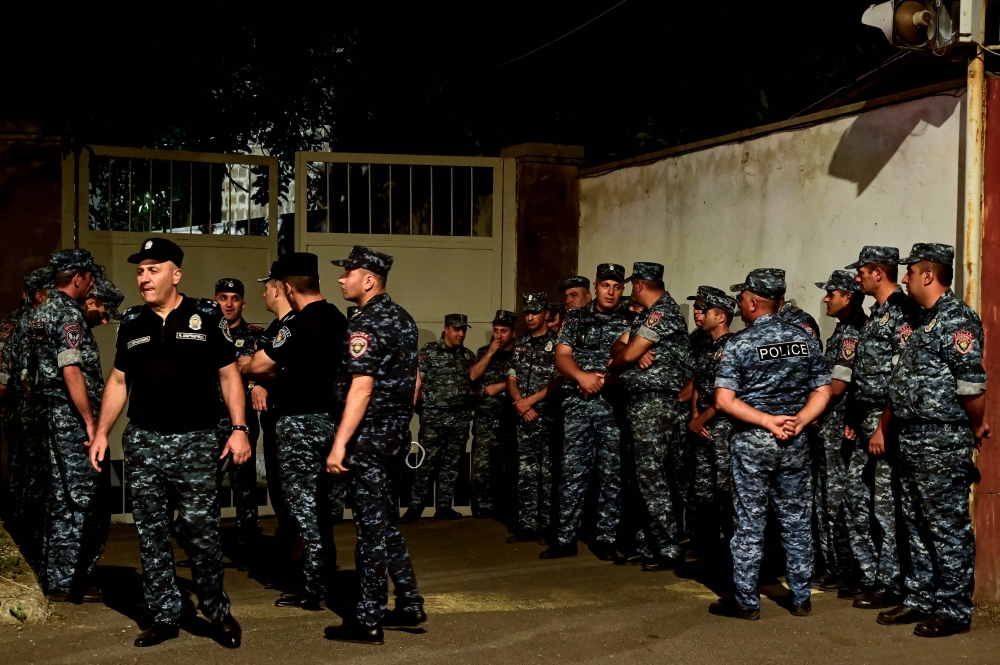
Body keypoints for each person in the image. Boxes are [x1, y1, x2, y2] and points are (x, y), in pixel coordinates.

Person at [89, 237, 248, 648]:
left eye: (153, 269)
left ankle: (216, 611)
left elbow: (230, 374)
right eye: (140, 270)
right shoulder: (132, 323)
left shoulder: (205, 315)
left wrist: (239, 428)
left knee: (201, 530)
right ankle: (165, 615)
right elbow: (120, 381)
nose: (144, 277)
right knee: (152, 532)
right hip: (144, 442)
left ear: (175, 274)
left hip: (196, 440)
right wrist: (102, 432)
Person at [876, 243, 989, 637]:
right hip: (912, 438)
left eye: (909, 272)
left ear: (928, 275)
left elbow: (972, 386)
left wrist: (976, 427)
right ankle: (920, 598)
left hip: (942, 439)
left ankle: (954, 609)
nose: (904, 277)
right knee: (915, 523)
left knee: (946, 527)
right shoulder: (924, 320)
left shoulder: (956, 319)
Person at [709, 268, 831, 620]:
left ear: (751, 302)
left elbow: (723, 400)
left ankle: (747, 601)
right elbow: (822, 389)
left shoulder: (741, 343)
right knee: (795, 520)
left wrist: (767, 421)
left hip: (753, 444)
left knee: (749, 521)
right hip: (795, 442)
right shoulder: (803, 338)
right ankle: (801, 597)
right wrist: (800, 421)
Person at [324, 245, 424, 645]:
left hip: (368, 439)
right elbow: (414, 383)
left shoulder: (364, 324)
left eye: (348, 272)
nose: (341, 278)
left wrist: (339, 444)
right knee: (383, 522)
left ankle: (367, 620)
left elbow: (361, 388)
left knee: (369, 531)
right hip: (394, 435)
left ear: (369, 280)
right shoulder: (403, 319)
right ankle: (410, 601)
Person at [244, 253, 348, 610]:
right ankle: (322, 575)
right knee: (320, 506)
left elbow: (259, 364)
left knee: (304, 509)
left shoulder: (298, 324)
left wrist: (245, 365)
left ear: (287, 287)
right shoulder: (336, 318)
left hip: (300, 424)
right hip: (330, 421)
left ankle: (314, 586)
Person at [839, 246, 919, 610]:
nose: (857, 278)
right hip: (867, 419)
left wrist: (882, 428)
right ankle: (869, 573)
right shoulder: (875, 316)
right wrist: (856, 419)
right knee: (857, 497)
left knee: (885, 505)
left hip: (887, 422)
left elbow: (899, 378)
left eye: (861, 272)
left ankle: (890, 581)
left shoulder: (903, 314)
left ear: (877, 273)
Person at [28, 250, 110, 603]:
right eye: (90, 277)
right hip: (71, 419)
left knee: (60, 498)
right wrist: (90, 421)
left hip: (49, 415)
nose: (92, 283)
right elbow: (71, 370)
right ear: (77, 278)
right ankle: (71, 581)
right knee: (82, 500)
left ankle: (57, 580)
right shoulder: (66, 314)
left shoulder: (39, 313)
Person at [543, 264, 630, 560]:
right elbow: (562, 356)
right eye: (606, 285)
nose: (611, 291)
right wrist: (582, 377)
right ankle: (565, 539)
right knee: (572, 472)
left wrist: (602, 380)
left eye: (617, 286)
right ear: (595, 287)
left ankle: (605, 539)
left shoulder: (631, 319)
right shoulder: (576, 317)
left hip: (612, 407)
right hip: (578, 405)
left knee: (611, 474)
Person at [608, 263, 692, 571]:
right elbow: (621, 346)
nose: (631, 290)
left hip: (655, 404)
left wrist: (625, 357)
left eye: (632, 285)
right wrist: (631, 350)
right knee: (641, 477)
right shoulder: (646, 316)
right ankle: (649, 544)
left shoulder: (661, 312)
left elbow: (623, 357)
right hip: (640, 403)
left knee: (651, 477)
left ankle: (668, 547)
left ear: (640, 284)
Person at [812, 270, 867, 593]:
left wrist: (809, 405)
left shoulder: (852, 334)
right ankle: (833, 564)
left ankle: (845, 567)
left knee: (837, 498)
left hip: (838, 427)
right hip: (828, 426)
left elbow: (837, 385)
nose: (826, 299)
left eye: (831, 293)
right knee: (825, 495)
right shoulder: (843, 330)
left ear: (848, 297)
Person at [0, 266, 54, 572]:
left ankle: (22, 539)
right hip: (30, 412)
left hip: (20, 412)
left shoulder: (11, 323)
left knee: (23, 477)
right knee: (34, 480)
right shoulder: (25, 324)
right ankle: (31, 545)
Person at [401, 313, 477, 523]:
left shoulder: (468, 356)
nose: (461, 333)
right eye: (457, 329)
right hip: (434, 418)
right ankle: (415, 507)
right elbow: (414, 381)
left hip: (460, 418)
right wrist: (419, 407)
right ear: (446, 329)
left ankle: (444, 506)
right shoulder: (428, 353)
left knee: (451, 464)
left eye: (463, 329)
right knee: (426, 463)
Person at [213, 278, 265, 569]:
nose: (229, 304)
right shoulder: (205, 333)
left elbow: (261, 367)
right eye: (223, 297)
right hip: (208, 420)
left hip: (240, 421)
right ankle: (208, 550)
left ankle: (247, 550)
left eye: (234, 298)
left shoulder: (255, 335)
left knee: (243, 486)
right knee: (205, 486)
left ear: (243, 303)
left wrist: (255, 381)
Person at [251, 262, 298, 580]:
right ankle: (289, 552)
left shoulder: (295, 325)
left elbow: (259, 363)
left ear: (279, 288)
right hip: (274, 422)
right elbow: (260, 366)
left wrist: (257, 372)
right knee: (280, 493)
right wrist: (258, 382)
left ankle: (299, 563)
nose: (264, 292)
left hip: (292, 423)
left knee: (295, 495)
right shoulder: (273, 328)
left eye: (267, 286)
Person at [685, 287, 738, 570]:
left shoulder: (732, 347)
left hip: (721, 428)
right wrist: (695, 414)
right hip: (703, 426)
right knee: (703, 492)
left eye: (707, 311)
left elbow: (726, 398)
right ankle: (705, 548)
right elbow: (699, 384)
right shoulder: (706, 346)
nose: (701, 315)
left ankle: (731, 551)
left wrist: (700, 419)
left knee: (725, 492)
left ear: (721, 317)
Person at [507, 293, 561, 543]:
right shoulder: (519, 344)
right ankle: (528, 525)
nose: (529, 317)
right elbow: (512, 376)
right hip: (523, 417)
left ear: (546, 314)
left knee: (548, 474)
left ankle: (549, 526)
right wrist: (520, 402)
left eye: (535, 312)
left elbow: (559, 381)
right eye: (526, 313)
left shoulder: (558, 342)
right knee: (526, 473)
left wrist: (531, 401)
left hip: (546, 417)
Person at [468, 309, 516, 519]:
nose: (499, 335)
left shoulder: (520, 353)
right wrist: (489, 353)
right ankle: (484, 506)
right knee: (482, 466)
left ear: (513, 333)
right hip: (486, 418)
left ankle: (507, 506)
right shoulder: (484, 352)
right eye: (496, 330)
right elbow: (472, 375)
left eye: (503, 331)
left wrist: (501, 386)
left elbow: (526, 381)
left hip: (510, 417)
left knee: (509, 465)